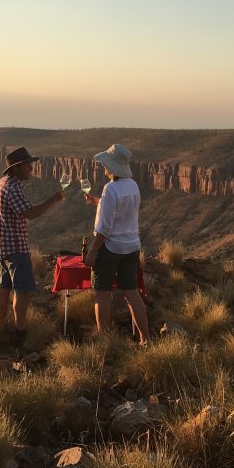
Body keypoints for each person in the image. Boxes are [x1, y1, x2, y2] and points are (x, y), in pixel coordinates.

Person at [0, 146, 64, 337]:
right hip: (15, 248)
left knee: (3, 286)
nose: (31, 168)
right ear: (16, 168)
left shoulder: (0, 183)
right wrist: (53, 199)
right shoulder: (12, 188)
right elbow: (31, 214)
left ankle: (0, 325)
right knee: (22, 291)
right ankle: (19, 331)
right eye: (27, 165)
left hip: (1, 247)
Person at [83, 143, 149, 345]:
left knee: (102, 295)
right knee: (132, 294)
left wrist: (93, 251)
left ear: (112, 167)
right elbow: (124, 210)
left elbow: (104, 229)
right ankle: (145, 339)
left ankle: (104, 340)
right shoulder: (133, 185)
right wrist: (99, 202)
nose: (104, 168)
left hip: (110, 248)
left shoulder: (110, 188)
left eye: (106, 165)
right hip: (132, 246)